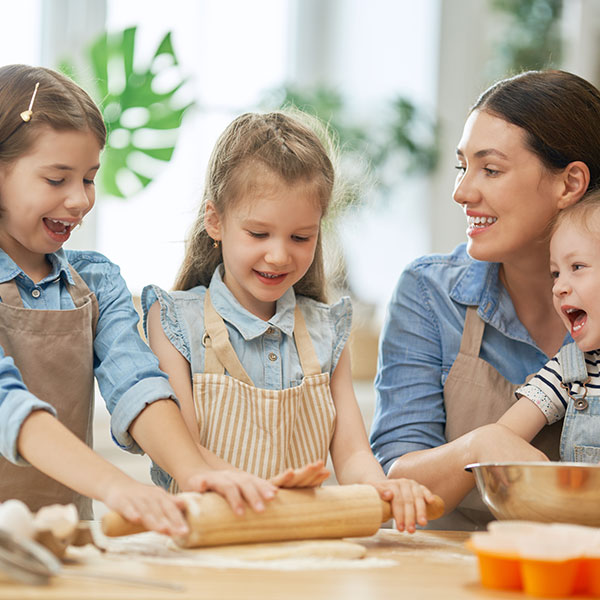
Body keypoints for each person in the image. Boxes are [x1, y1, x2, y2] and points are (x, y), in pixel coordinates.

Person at [0, 64, 278, 535]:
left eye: (88, 179)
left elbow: (138, 386)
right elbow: (7, 405)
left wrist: (194, 471)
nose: (79, 200)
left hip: (64, 541)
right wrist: (115, 487)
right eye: (56, 179)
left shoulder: (96, 281)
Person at [143, 111, 438, 532]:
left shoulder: (327, 330)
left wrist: (385, 488)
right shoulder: (174, 321)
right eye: (259, 234)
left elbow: (353, 454)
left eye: (301, 237)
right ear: (215, 221)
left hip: (300, 549)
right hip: (205, 549)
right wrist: (266, 494)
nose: (280, 255)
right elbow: (183, 450)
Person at [370, 69, 600, 530]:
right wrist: (479, 446)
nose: (462, 192)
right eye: (463, 166)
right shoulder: (429, 294)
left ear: (569, 184)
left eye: (490, 169)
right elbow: (397, 486)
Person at [498, 190, 600, 462]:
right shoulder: (569, 372)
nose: (559, 287)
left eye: (577, 266)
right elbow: (499, 439)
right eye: (555, 273)